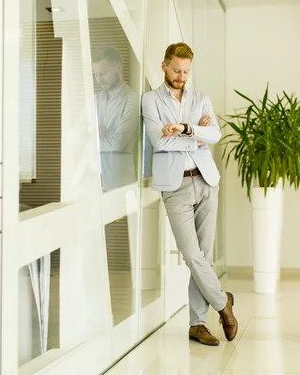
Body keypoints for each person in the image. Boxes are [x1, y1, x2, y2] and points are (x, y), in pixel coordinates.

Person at [141, 42, 238, 346]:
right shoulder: (151, 101)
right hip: (175, 186)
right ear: (164, 66)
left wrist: (184, 129)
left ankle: (197, 324)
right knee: (192, 255)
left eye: (186, 71)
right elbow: (159, 143)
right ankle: (224, 304)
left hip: (206, 181)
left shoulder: (200, 98)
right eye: (176, 70)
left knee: (204, 256)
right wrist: (197, 134)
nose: (181, 76)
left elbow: (216, 135)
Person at [92, 47, 139, 192]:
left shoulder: (132, 100)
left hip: (120, 186)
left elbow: (118, 143)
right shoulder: (95, 100)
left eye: (104, 73)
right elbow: (72, 137)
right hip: (96, 184)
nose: (99, 79)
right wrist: (97, 135)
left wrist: (92, 137)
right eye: (96, 75)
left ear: (118, 68)